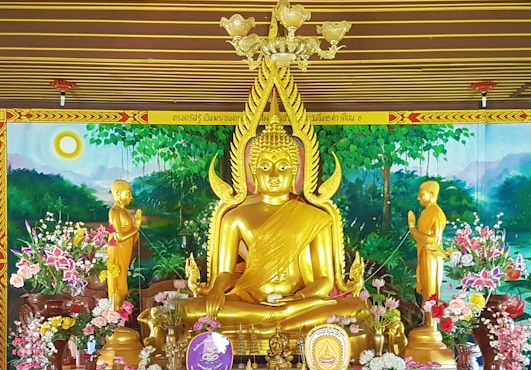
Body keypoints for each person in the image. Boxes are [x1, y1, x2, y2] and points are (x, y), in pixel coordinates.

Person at [183, 116, 361, 327]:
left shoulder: (316, 217)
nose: (274, 175)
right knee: (189, 310)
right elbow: (224, 272)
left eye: (283, 167)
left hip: (298, 303)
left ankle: (275, 319)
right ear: (253, 172)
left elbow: (325, 281)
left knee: (357, 308)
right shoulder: (235, 218)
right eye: (265, 167)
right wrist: (217, 290)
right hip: (250, 301)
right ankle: (277, 320)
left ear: (295, 172)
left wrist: (298, 300)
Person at [407, 180, 445, 301]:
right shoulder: (425, 212)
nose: (419, 198)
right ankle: (427, 319)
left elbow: (434, 240)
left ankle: (431, 320)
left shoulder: (437, 213)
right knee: (422, 286)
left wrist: (413, 229)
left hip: (432, 254)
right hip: (423, 252)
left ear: (432, 195)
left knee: (430, 289)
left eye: (422, 194)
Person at [107, 179, 142, 309]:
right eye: (127, 193)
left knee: (123, 282)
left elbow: (131, 239)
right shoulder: (114, 212)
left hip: (124, 251)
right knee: (117, 283)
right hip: (116, 250)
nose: (131, 197)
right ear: (117, 193)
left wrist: (135, 228)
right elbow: (119, 236)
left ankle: (120, 313)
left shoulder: (125, 212)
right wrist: (136, 227)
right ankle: (115, 312)